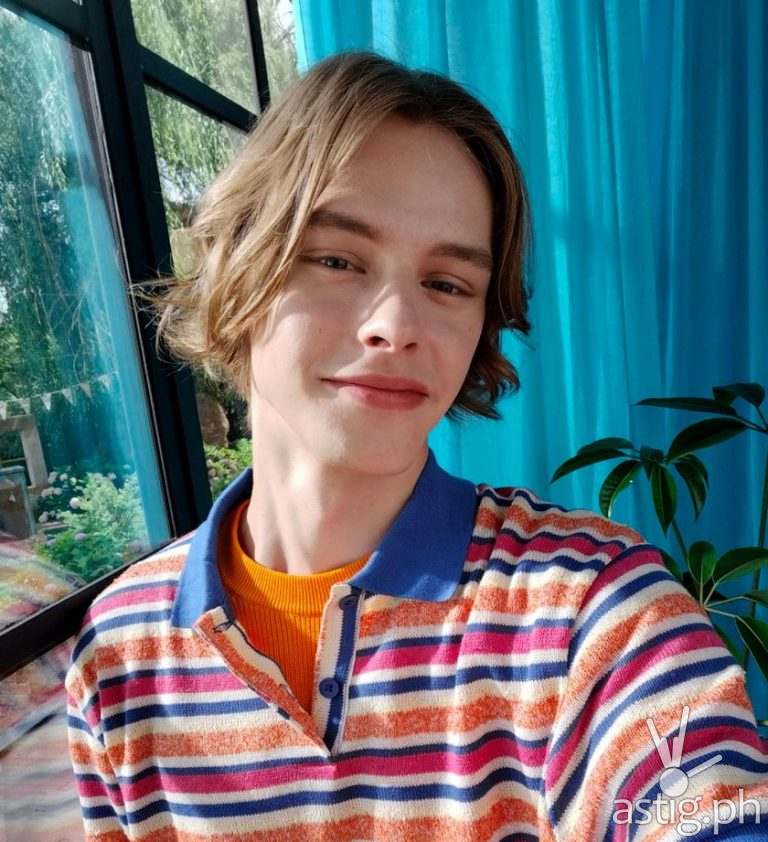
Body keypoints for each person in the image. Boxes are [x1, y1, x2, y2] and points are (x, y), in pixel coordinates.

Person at [65, 50, 768, 841]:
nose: (395, 326)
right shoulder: (119, 648)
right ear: (240, 266)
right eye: (337, 260)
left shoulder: (590, 607)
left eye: (447, 284)